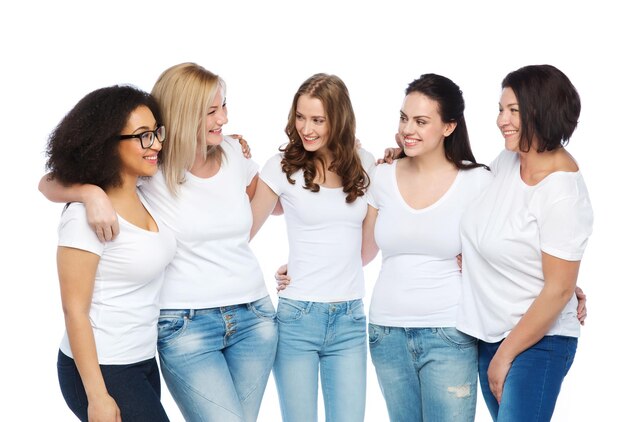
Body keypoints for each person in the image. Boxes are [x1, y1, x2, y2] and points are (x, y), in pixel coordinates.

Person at [39, 63, 278, 422]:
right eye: (211, 111)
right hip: (161, 337)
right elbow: (48, 182)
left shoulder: (215, 157)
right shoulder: (142, 173)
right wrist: (88, 193)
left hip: (221, 330)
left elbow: (259, 210)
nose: (223, 118)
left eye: (224, 106)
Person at [456, 64, 593, 421]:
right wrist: (400, 160)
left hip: (536, 343)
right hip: (490, 333)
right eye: (501, 110)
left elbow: (557, 290)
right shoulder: (506, 162)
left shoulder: (561, 190)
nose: (502, 120)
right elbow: (483, 219)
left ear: (541, 110)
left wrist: (505, 356)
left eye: (513, 110)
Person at [360, 73, 493, 422]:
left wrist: (565, 289)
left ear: (449, 127)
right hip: (386, 333)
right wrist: (303, 266)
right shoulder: (382, 177)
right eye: (404, 118)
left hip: (449, 332)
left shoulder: (478, 181)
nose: (408, 129)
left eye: (421, 121)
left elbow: (510, 248)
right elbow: (361, 253)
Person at [45, 85, 176, 421]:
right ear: (107, 144)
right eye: (143, 136)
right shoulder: (82, 217)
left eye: (156, 133)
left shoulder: (147, 191)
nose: (156, 144)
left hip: (143, 360)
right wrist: (97, 396)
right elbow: (74, 310)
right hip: (101, 367)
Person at [250, 73, 375, 422]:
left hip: (349, 318)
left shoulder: (367, 164)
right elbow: (240, 231)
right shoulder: (279, 169)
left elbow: (368, 248)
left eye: (318, 120)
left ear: (339, 120)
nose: (306, 128)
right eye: (301, 117)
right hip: (296, 319)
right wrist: (231, 153)